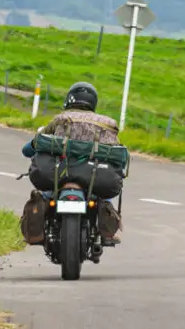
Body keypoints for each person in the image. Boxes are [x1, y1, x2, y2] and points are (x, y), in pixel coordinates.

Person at [19, 81, 124, 247]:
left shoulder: (61, 119)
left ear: (70, 99)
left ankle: (36, 230)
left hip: (59, 175)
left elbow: (30, 148)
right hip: (93, 177)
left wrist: (30, 149)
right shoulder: (107, 124)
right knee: (105, 198)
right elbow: (118, 155)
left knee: (45, 195)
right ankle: (107, 232)